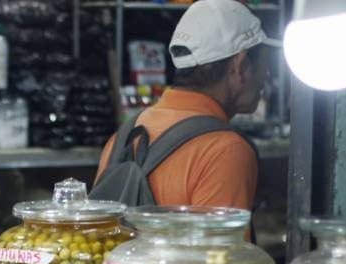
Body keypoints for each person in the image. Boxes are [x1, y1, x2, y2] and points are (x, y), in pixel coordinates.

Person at [95, 0, 279, 210]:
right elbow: (220, 244)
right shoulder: (225, 150)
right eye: (266, 62)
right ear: (240, 64)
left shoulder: (122, 139)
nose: (266, 75)